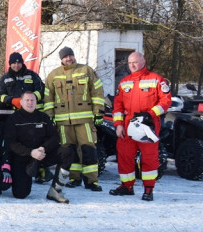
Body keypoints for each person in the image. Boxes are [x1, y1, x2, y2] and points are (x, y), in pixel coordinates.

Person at [109, 51, 171, 201]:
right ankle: (126, 186)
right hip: (128, 125)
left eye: (135, 62)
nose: (132, 65)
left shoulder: (156, 80)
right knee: (124, 156)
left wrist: (151, 114)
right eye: (130, 63)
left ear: (143, 62)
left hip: (148, 125)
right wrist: (118, 125)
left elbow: (165, 101)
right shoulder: (124, 82)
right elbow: (117, 106)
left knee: (149, 158)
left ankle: (148, 189)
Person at [43, 46, 106, 192]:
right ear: (61, 59)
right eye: (65, 56)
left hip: (85, 120)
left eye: (70, 55)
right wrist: (50, 117)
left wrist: (98, 112)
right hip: (63, 122)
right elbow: (48, 98)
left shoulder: (86, 70)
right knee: (69, 150)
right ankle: (74, 178)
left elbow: (97, 92)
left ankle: (92, 181)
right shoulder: (53, 75)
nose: (68, 58)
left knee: (88, 149)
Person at [3, 91, 71, 203]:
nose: (30, 103)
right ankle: (33, 172)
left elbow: (55, 137)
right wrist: (31, 152)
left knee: (67, 152)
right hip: (22, 158)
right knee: (20, 194)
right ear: (21, 102)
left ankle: (55, 191)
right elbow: (11, 143)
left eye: (32, 100)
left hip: (42, 154)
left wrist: (43, 148)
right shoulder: (13, 119)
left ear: (36, 102)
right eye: (27, 100)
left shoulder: (43, 117)